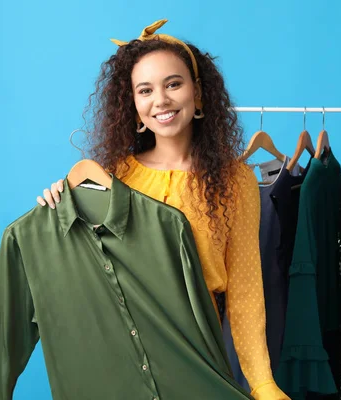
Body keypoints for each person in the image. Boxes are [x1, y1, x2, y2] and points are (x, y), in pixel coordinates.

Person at [36, 19, 290, 400]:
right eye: (145, 90)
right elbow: (81, 278)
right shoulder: (112, 178)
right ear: (135, 107)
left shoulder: (234, 180)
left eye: (173, 84)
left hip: (199, 362)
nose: (161, 101)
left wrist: (262, 383)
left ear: (198, 92)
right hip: (119, 367)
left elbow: (245, 290)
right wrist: (58, 201)